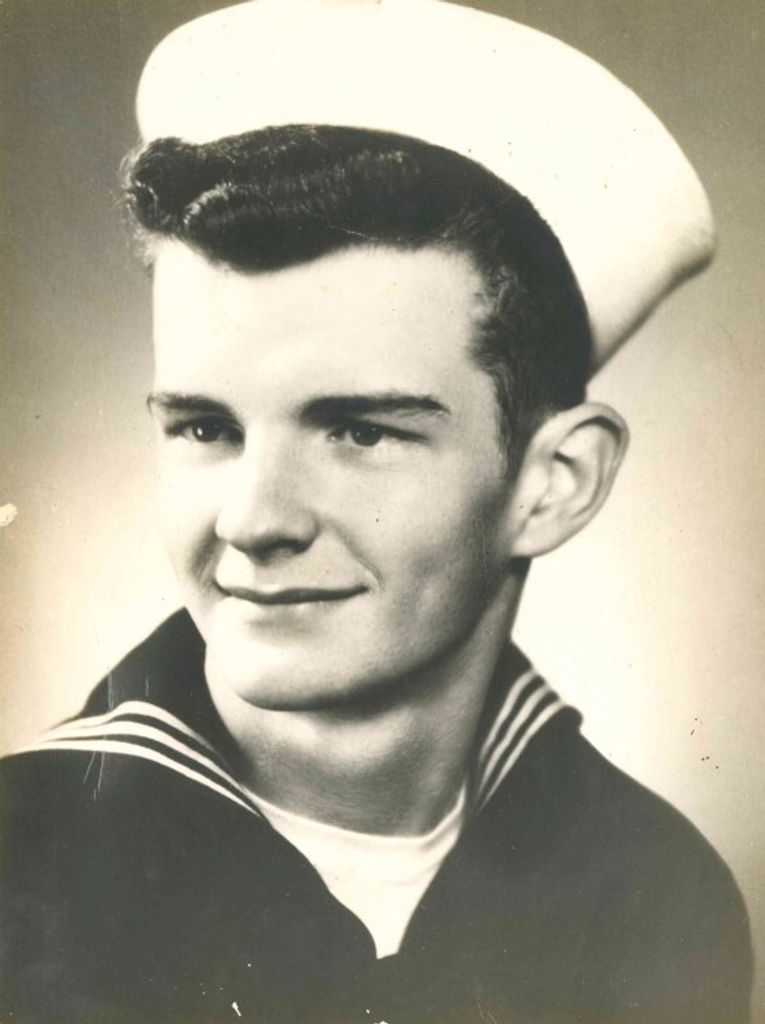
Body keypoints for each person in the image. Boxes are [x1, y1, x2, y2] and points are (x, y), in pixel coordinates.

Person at [0, 2, 752, 1022]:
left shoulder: (660, 894)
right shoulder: (22, 872)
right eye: (204, 427)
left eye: (358, 432)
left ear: (555, 483)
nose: (253, 520)